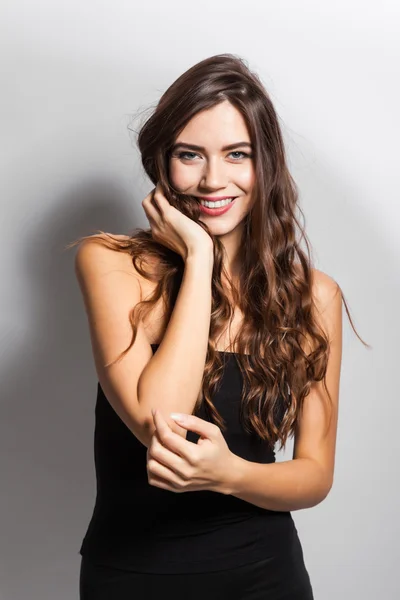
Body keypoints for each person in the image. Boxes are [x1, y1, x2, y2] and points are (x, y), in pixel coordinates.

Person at [67, 53, 367, 599]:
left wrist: (230, 473)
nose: (212, 179)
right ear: (162, 161)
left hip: (266, 576)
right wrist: (201, 259)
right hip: (132, 577)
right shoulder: (110, 262)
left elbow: (314, 473)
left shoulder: (313, 296)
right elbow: (162, 424)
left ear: (266, 164)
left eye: (237, 155)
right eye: (190, 155)